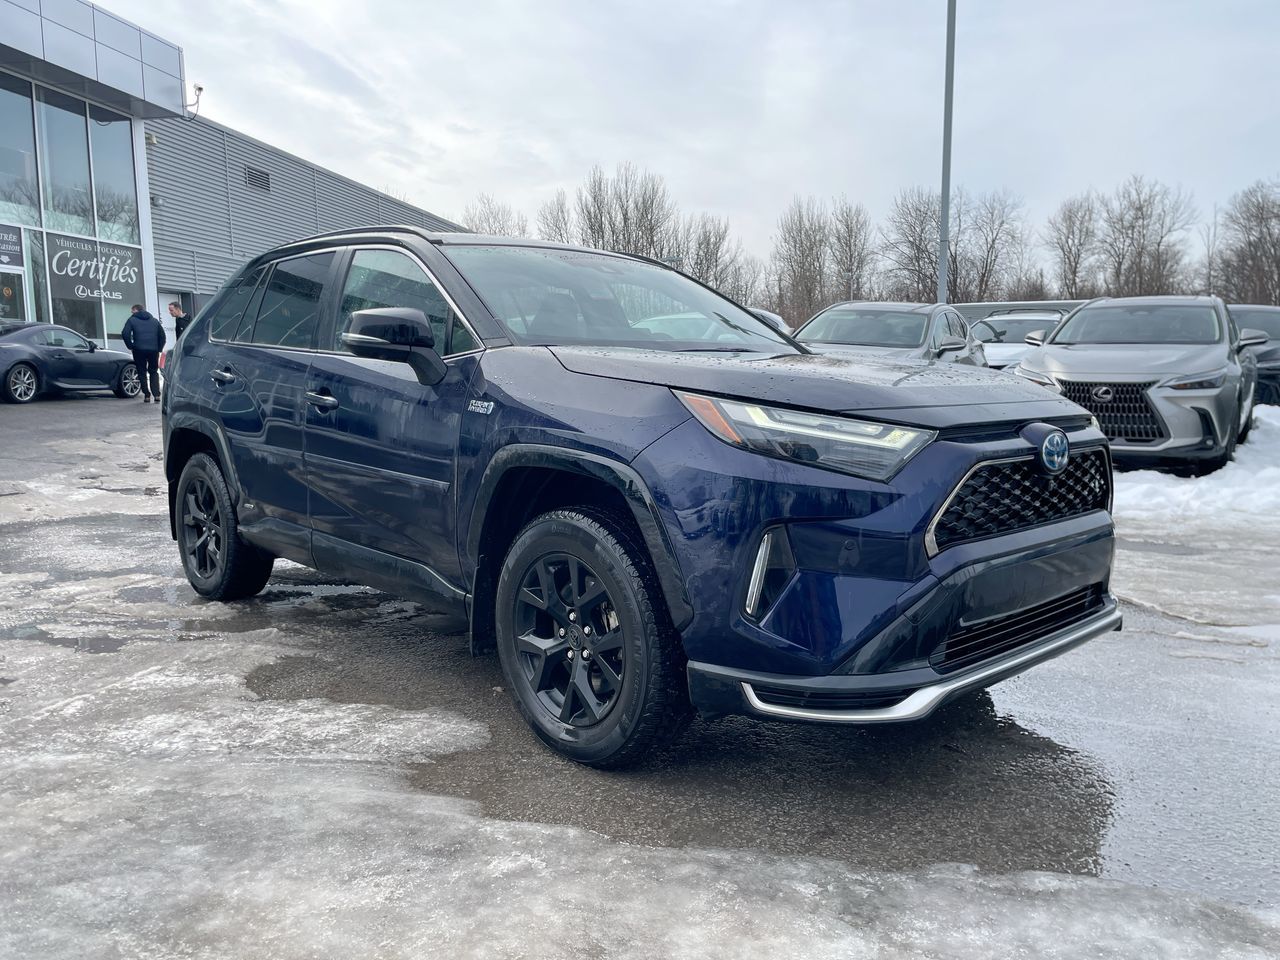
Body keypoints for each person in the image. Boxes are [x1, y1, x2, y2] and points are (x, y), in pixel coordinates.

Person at [121, 304, 166, 403]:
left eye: (132, 312)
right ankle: (157, 395)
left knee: (142, 372)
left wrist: (131, 346)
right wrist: (159, 348)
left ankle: (147, 395)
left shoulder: (132, 320)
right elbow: (162, 336)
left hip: (138, 350)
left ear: (136, 310)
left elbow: (125, 333)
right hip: (153, 350)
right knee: (153, 371)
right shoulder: (154, 321)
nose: (131, 314)